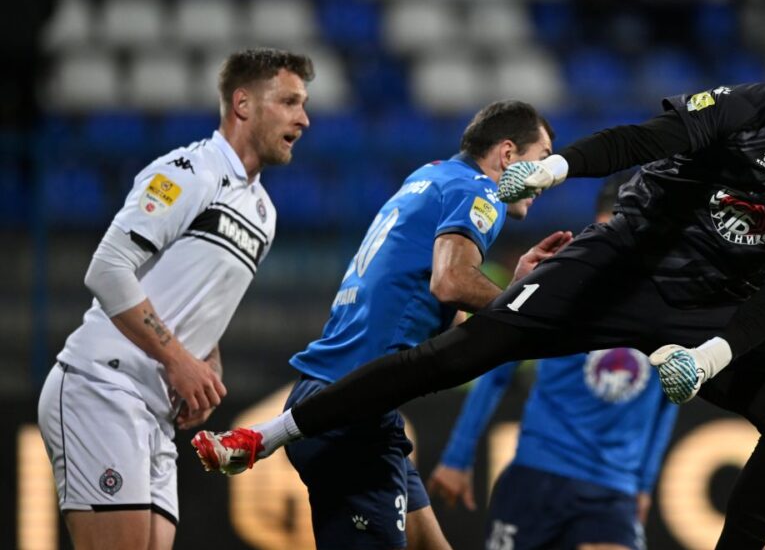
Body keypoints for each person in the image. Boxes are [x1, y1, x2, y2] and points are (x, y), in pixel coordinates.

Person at [194, 21, 765, 549]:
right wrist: (557, 168)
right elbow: (639, 142)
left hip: (710, 307)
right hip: (619, 266)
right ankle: (271, 433)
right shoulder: (749, 110)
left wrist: (715, 354)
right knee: (456, 358)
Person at [195, 100, 572, 550]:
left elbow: (449, 319)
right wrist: (526, 311)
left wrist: (510, 291)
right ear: (507, 155)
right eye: (542, 155)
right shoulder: (480, 191)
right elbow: (451, 282)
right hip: (351, 409)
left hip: (347, 400)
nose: (547, 174)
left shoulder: (429, 177)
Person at [36, 48, 313, 550]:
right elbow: (107, 269)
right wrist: (178, 359)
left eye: (304, 104)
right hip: (103, 384)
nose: (304, 118)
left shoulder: (263, 212)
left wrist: (206, 362)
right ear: (243, 103)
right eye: (290, 102)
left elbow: (200, 297)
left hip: (156, 411)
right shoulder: (189, 172)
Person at [426, 171, 679, 550]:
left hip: (612, 493)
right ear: (598, 225)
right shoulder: (559, 282)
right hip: (537, 476)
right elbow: (497, 370)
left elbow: (670, 398)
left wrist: (643, 486)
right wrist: (457, 457)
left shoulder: (671, 301)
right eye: (612, 231)